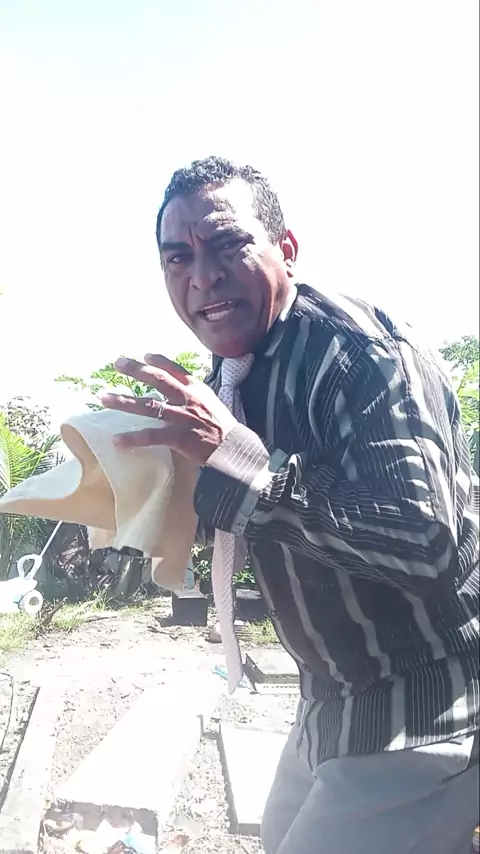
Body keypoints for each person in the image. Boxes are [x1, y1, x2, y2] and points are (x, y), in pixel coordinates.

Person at [102, 157, 479, 854]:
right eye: (178, 257)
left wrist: (240, 462)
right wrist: (133, 477)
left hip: (425, 703)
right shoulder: (234, 370)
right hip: (329, 701)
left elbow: (424, 540)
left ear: (287, 248)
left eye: (227, 245)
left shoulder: (360, 354)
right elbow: (242, 507)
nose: (202, 277)